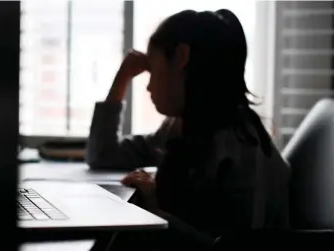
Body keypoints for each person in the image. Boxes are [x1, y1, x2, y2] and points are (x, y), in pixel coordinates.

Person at [87, 9, 290, 250]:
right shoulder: (182, 126)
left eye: (152, 69)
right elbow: (103, 154)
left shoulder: (240, 146)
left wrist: (154, 212)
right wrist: (123, 77)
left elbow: (232, 245)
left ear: (182, 56)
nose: (149, 86)